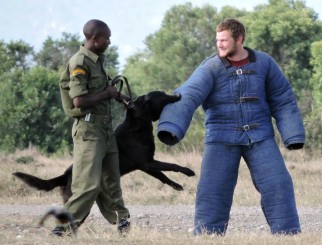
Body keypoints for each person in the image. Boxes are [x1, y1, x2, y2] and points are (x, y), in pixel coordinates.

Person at [157, 18, 305, 235]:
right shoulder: (211, 67)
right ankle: (208, 236)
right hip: (220, 138)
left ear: (240, 39)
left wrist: (292, 134)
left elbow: (282, 98)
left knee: (279, 184)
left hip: (260, 136)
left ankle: (288, 235)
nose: (220, 45)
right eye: (218, 40)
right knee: (212, 191)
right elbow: (188, 95)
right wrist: (171, 126)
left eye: (224, 40)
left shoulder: (264, 63)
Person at [55, 19, 130, 236]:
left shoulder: (97, 60)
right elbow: (78, 100)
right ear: (94, 37)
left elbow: (104, 90)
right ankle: (63, 228)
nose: (109, 41)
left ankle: (122, 220)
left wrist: (119, 97)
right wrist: (105, 94)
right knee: (87, 184)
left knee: (111, 180)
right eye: (106, 37)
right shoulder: (79, 62)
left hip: (104, 130)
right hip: (89, 131)